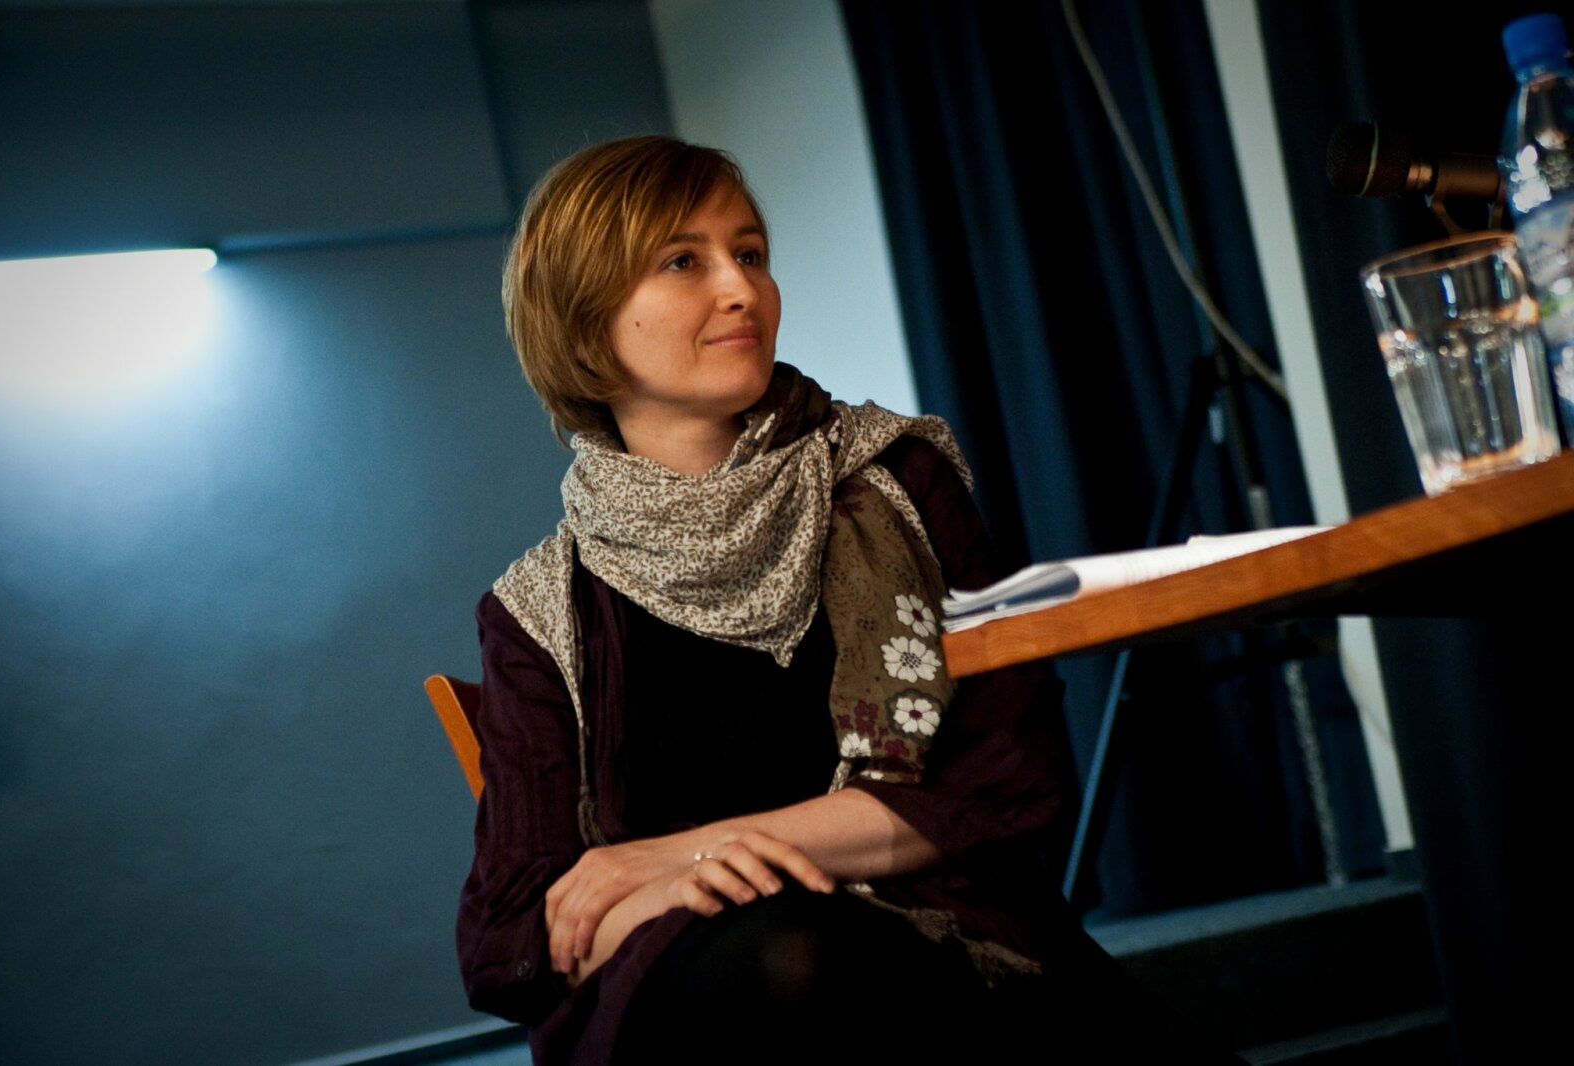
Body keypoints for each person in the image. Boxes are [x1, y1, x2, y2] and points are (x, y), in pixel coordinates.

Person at [456, 136, 1234, 1065]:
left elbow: (1007, 781)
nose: (742, 288)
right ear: (585, 321)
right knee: (797, 963)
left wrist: (693, 852)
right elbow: (507, 940)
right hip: (702, 993)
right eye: (684, 262)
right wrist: (661, 895)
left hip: (947, 955)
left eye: (749, 253)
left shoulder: (899, 481)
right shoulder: (538, 612)